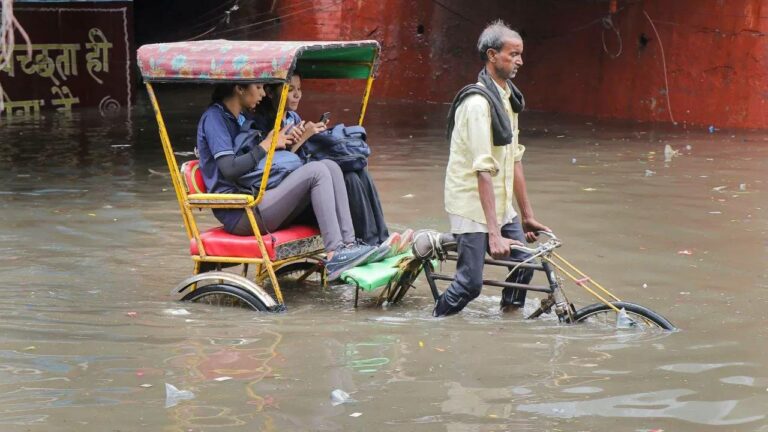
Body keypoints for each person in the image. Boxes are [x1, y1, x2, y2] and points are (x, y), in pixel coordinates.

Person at [195, 82, 376, 280]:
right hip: (241, 211)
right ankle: (334, 252)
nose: (264, 93)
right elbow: (230, 169)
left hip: (261, 196)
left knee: (330, 165)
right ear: (239, 88)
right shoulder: (215, 118)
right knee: (316, 171)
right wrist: (266, 145)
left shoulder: (243, 117)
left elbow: (260, 165)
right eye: (258, 87)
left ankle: (348, 246)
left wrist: (287, 142)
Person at [433, 20, 551, 317]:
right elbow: (482, 171)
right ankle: (433, 323)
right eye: (513, 54)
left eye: (520, 54)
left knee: (526, 263)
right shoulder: (477, 103)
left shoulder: (508, 98)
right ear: (491, 55)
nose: (519, 61)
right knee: (469, 285)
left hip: (500, 205)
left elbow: (514, 158)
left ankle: (508, 321)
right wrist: (494, 234)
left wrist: (527, 216)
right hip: (471, 204)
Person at [253, 73, 395, 250]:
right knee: (347, 178)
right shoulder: (261, 123)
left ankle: (380, 239)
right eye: (290, 90)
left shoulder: (292, 117)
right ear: (271, 93)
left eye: (299, 89)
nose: (297, 95)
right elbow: (280, 168)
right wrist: (305, 136)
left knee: (357, 171)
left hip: (304, 180)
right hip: (287, 195)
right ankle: (366, 241)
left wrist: (312, 134)